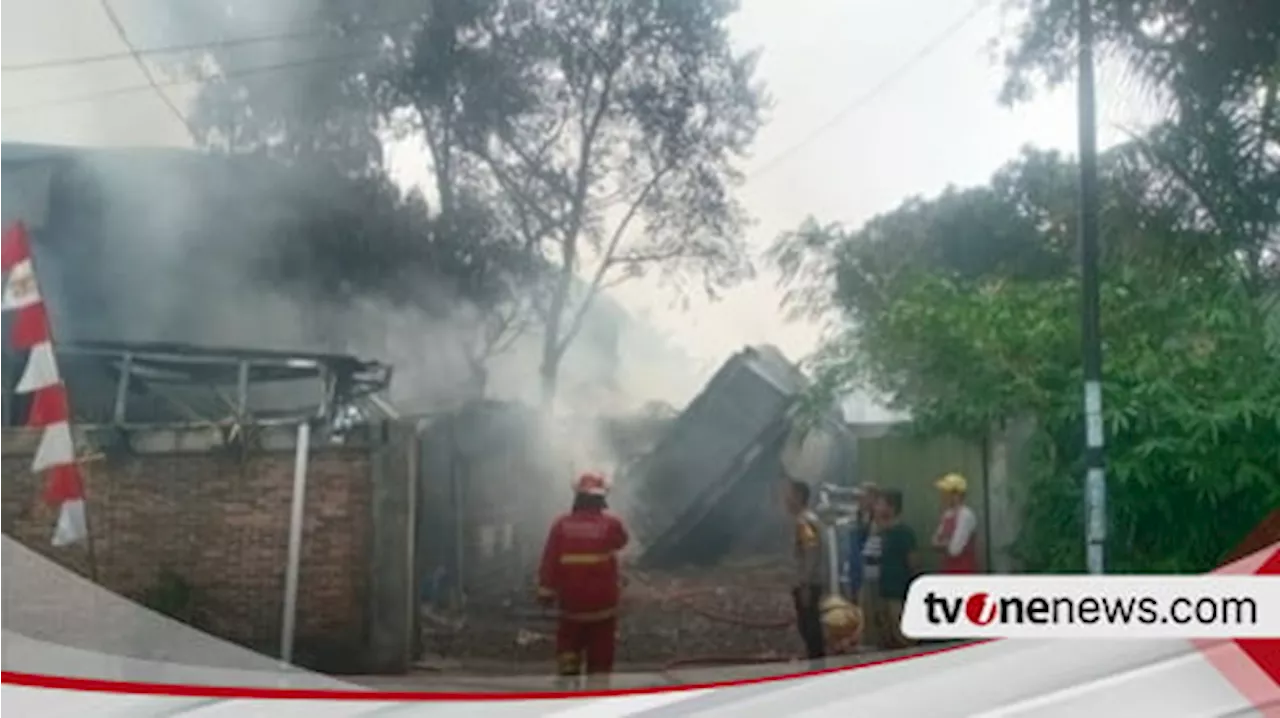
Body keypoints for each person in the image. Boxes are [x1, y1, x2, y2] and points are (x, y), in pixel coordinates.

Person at [536, 471, 629, 690]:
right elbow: (621, 542)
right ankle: (597, 692)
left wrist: (545, 592)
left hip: (571, 602)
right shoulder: (612, 524)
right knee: (601, 648)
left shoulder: (560, 525)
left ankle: (568, 688)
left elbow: (550, 560)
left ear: (577, 498)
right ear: (602, 498)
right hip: (603, 603)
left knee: (569, 643)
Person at [860, 488, 918, 650]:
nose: (876, 508)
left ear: (891, 508)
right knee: (884, 634)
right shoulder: (878, 532)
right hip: (880, 590)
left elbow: (913, 562)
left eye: (880, 504)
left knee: (901, 633)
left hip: (897, 590)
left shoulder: (903, 533)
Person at [783, 478, 829, 664]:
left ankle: (817, 665)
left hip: (807, 583)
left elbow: (810, 555)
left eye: (789, 494)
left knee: (809, 625)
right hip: (807, 581)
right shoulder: (805, 520)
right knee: (808, 624)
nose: (785, 499)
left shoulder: (804, 522)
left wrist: (805, 585)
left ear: (799, 497)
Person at [931, 473, 979, 574]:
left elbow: (955, 549)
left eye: (945, 493)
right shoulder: (947, 515)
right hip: (948, 570)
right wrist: (946, 543)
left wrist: (943, 544)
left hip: (963, 571)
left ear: (956, 495)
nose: (942, 496)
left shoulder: (966, 515)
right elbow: (934, 542)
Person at [842, 481, 878, 604]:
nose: (860, 500)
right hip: (853, 570)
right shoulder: (854, 516)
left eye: (864, 497)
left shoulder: (879, 518)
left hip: (871, 572)